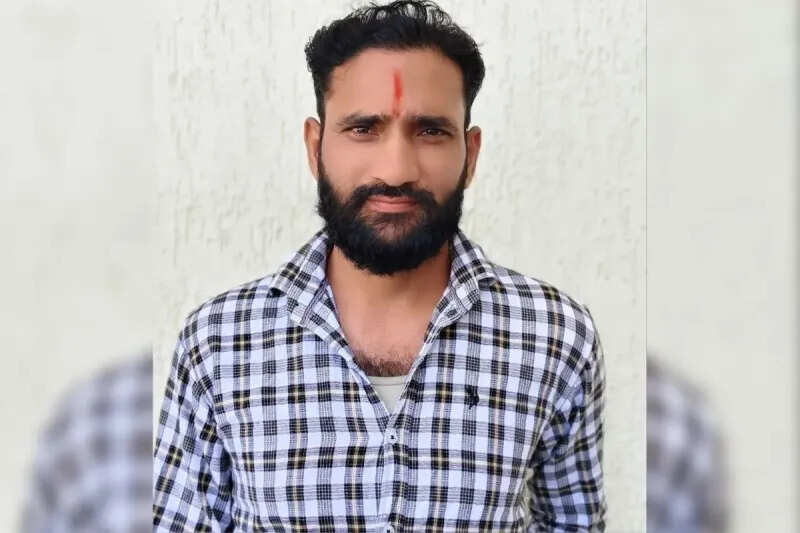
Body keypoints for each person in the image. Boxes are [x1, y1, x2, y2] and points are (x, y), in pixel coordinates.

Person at [153, 1, 607, 531]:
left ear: (471, 153)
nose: (395, 171)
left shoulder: (555, 336)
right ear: (315, 147)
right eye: (364, 128)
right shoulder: (218, 342)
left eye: (430, 131)